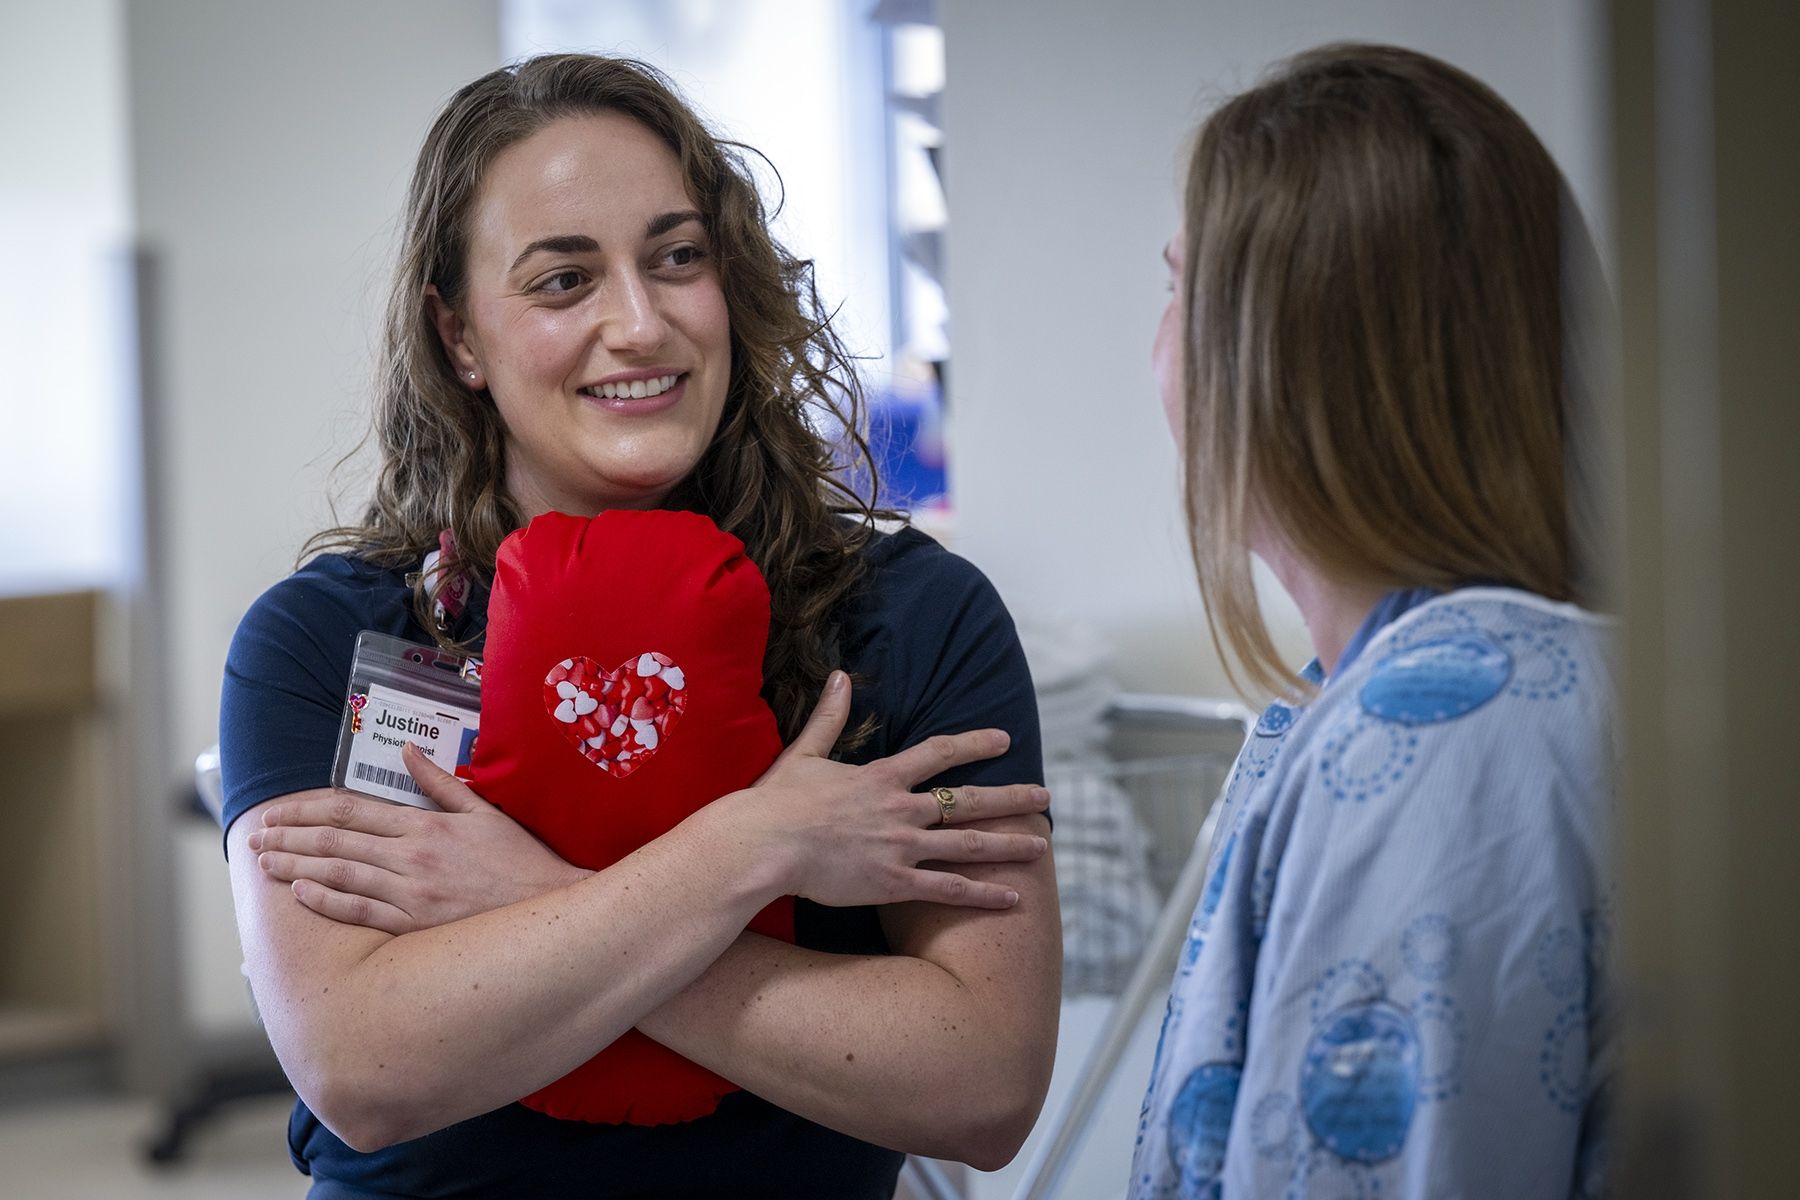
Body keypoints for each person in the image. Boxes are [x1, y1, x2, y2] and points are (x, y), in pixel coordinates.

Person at [218, 54, 1060, 1199]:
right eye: (564, 281)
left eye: (677, 258)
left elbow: (985, 1083)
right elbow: (364, 1064)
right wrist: (751, 848)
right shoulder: (322, 642)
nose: (641, 322)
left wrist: (526, 896)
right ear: (460, 336)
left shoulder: (907, 618)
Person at [1131, 44, 1615, 1198]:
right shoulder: (1454, 692)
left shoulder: (1438, 744)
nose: (1156, 346)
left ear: (1288, 359)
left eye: (1178, 285)